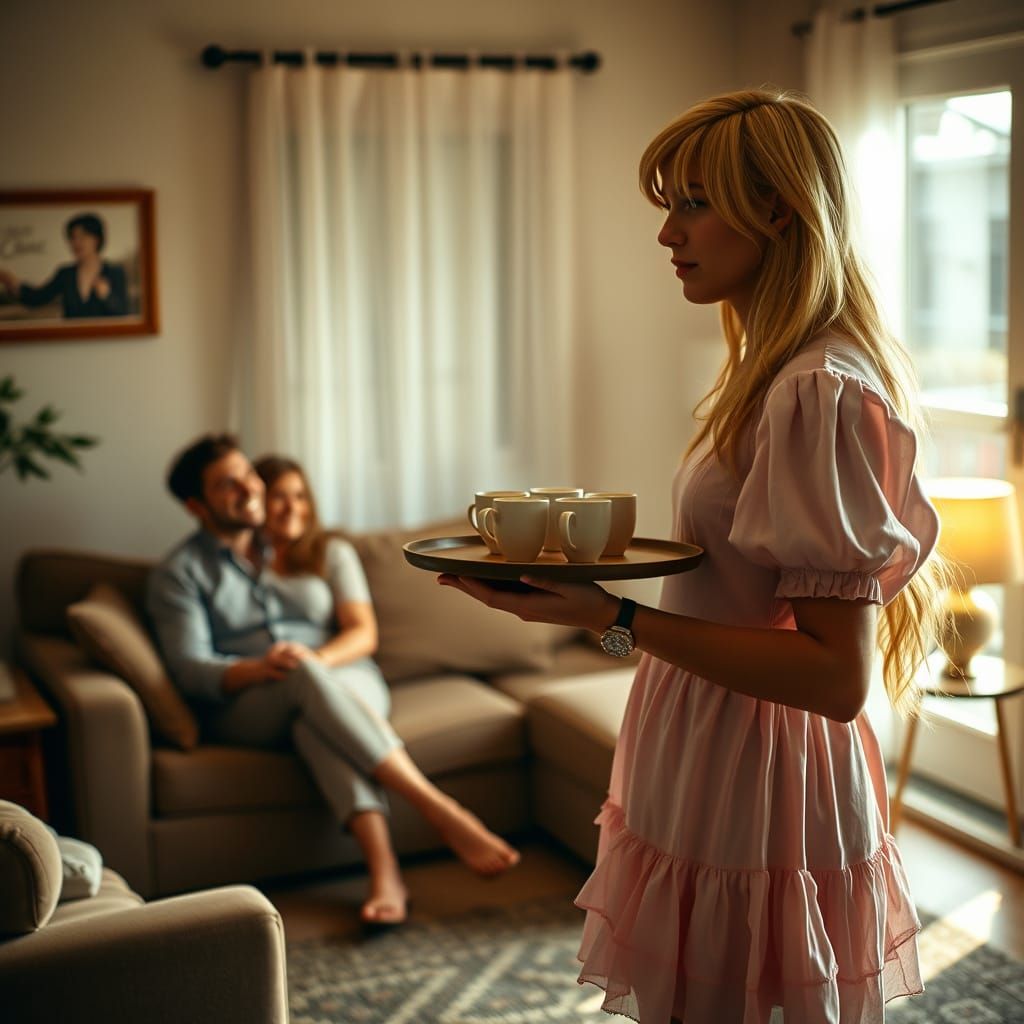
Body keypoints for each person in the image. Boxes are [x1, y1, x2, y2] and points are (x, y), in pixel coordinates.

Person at [439, 89, 947, 1023]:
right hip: (699, 735)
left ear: (779, 209)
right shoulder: (765, 374)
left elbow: (837, 678)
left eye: (693, 202)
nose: (669, 231)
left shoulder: (818, 391)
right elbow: (715, 605)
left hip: (759, 768)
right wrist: (599, 619)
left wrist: (617, 619)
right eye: (668, 204)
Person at [147, 435, 519, 929]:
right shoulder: (180, 573)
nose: (247, 489)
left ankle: (385, 873)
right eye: (225, 485)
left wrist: (310, 661)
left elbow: (358, 630)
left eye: (247, 475)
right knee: (305, 676)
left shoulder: (292, 543)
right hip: (248, 702)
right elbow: (190, 669)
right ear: (197, 505)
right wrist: (259, 669)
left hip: (325, 685)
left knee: (313, 721)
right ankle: (439, 808)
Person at [0, 212, 128, 318]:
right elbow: (37, 298)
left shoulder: (114, 272)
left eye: (82, 237)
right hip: (70, 345)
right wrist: (11, 281)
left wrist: (107, 296)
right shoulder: (66, 274)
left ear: (96, 239)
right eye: (72, 237)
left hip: (107, 346)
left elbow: (124, 313)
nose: (76, 243)